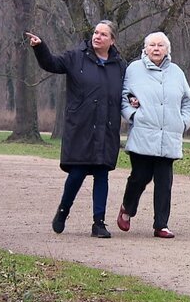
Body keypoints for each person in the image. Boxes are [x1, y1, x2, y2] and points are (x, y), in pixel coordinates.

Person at [24, 21, 126, 238]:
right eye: (96, 33)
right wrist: (40, 47)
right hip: (81, 127)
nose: (97, 37)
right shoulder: (75, 57)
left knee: (102, 174)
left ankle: (99, 223)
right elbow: (51, 64)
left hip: (107, 128)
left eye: (103, 34)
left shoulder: (119, 65)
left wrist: (133, 99)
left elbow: (126, 91)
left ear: (112, 40)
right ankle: (63, 211)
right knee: (77, 173)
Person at [117, 31, 190, 238]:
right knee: (140, 177)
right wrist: (134, 115)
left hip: (169, 135)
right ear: (145, 48)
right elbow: (124, 97)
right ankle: (128, 208)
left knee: (164, 181)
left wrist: (183, 122)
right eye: (152, 45)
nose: (156, 49)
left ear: (167, 49)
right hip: (143, 133)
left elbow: (189, 100)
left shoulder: (177, 72)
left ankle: (161, 225)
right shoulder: (134, 69)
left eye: (160, 45)